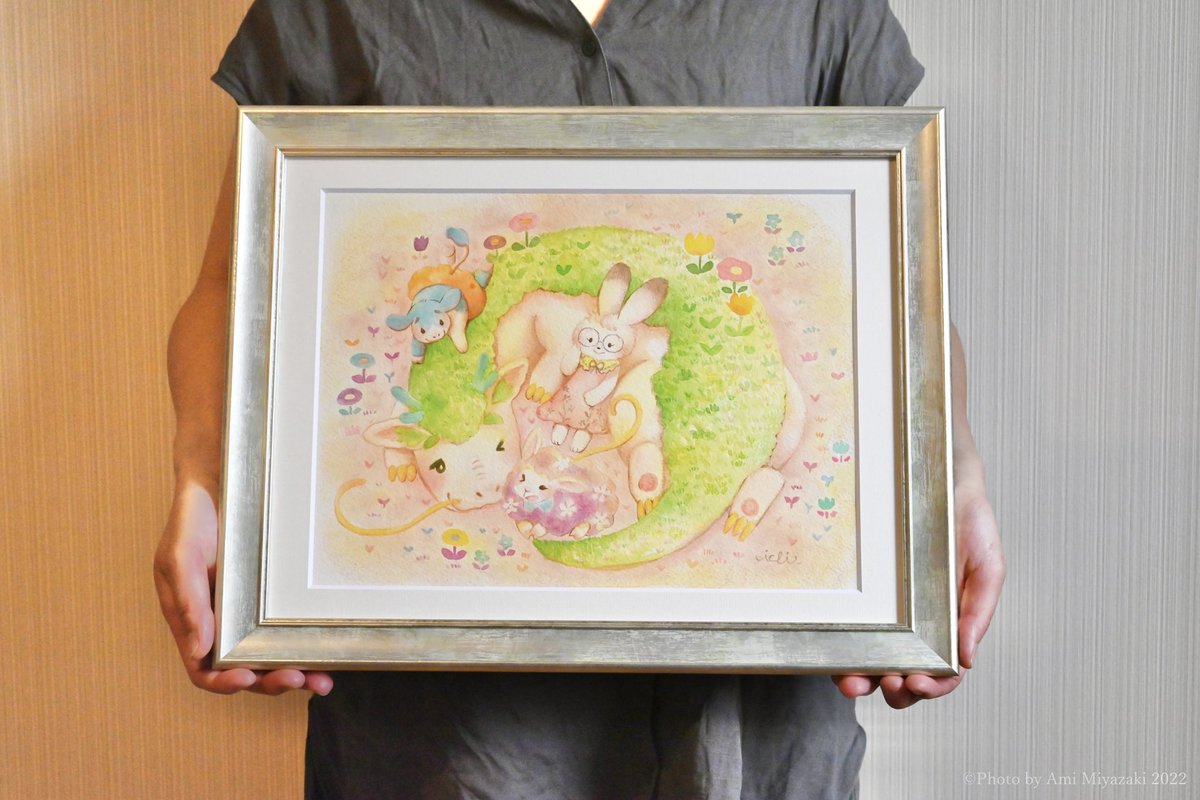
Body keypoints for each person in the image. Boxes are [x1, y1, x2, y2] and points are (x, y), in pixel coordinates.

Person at [154, 1, 1005, 797]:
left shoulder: (816, 11)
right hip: (444, 726)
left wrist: (950, 478)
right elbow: (237, 286)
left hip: (754, 709)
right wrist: (208, 478)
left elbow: (897, 294)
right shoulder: (334, 10)